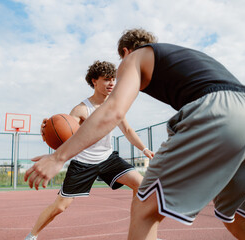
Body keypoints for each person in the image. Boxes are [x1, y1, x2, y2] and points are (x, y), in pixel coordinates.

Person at [24, 28, 245, 240]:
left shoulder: (134, 57)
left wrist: (57, 158)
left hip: (221, 113)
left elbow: (113, 112)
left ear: (125, 52)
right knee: (239, 223)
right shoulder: (181, 54)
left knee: (145, 207)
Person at [24, 60, 154, 240]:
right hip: (84, 163)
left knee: (142, 185)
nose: (111, 84)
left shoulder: (115, 105)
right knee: (60, 207)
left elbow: (128, 130)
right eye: (106, 79)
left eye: (113, 79)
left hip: (108, 159)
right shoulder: (81, 109)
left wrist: (145, 149)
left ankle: (141, 234)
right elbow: (66, 134)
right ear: (94, 81)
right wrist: (48, 134)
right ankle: (32, 236)